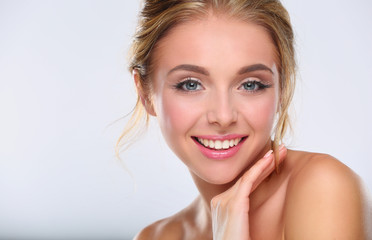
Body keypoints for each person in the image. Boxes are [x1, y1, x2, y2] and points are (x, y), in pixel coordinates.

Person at [117, 0, 371, 239]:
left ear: (282, 88)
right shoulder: (158, 236)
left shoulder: (322, 187)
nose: (224, 116)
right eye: (191, 84)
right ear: (145, 94)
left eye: (250, 84)